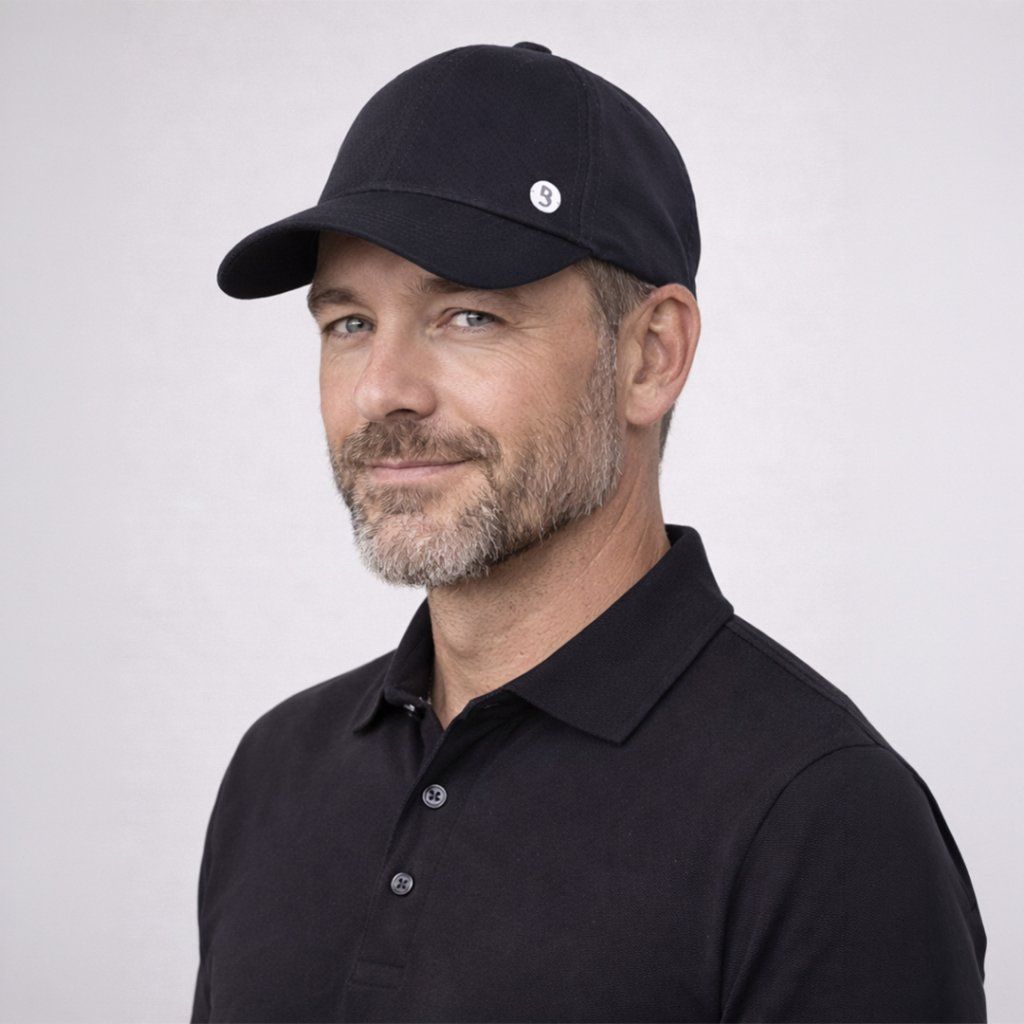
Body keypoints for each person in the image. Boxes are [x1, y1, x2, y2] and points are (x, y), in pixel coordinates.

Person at [191, 41, 987, 1023]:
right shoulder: (276, 772)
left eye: (468, 316)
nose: (382, 390)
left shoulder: (819, 817)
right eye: (348, 323)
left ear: (651, 355)